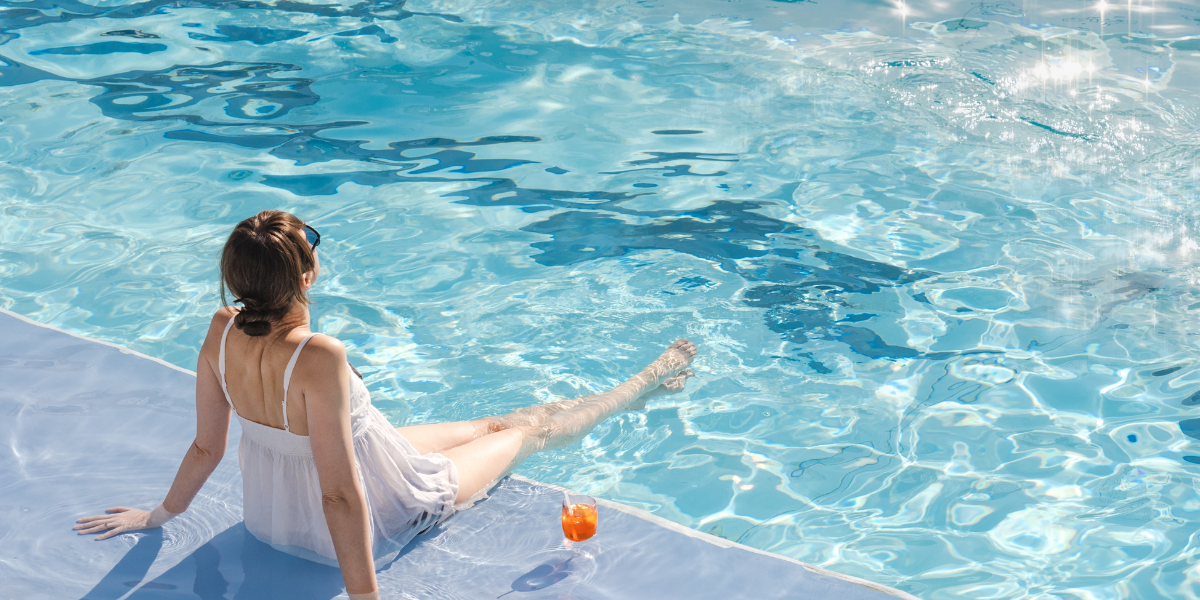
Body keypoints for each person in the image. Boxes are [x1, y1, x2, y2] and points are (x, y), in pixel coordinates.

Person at [73, 210, 697, 600]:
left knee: (487, 423)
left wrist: (159, 515)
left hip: (276, 515)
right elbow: (342, 495)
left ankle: (644, 382)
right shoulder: (320, 355)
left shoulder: (220, 327)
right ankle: (649, 379)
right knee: (525, 432)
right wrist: (365, 596)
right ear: (307, 278)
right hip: (385, 502)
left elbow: (207, 444)